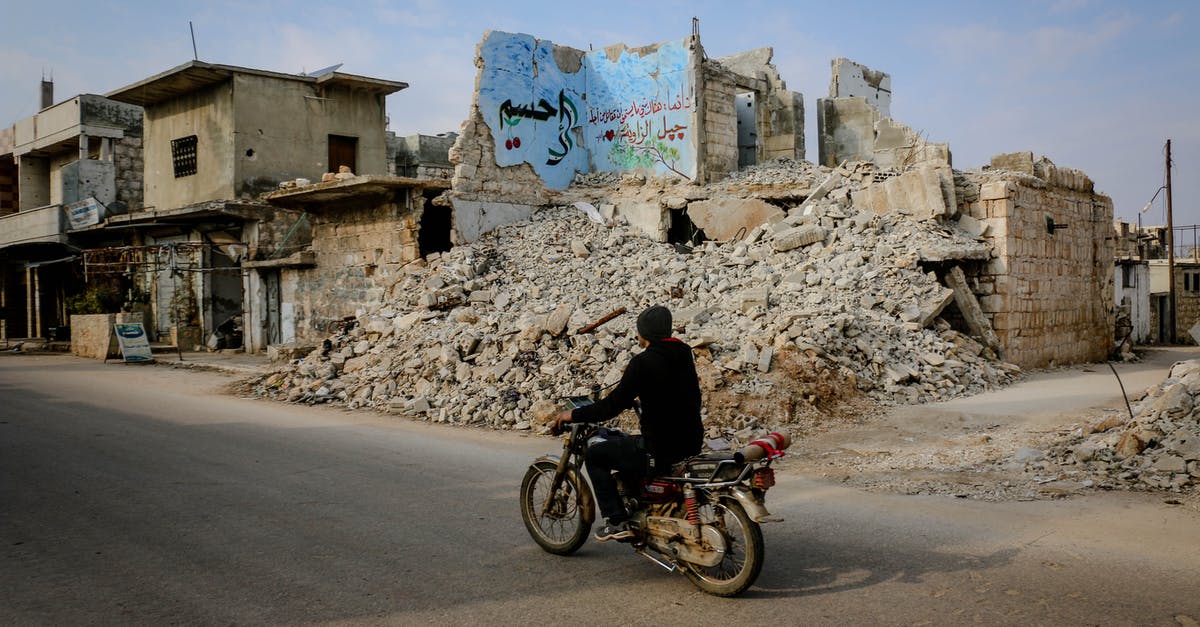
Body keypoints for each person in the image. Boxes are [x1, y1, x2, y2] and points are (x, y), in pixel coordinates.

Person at [552, 305, 703, 542]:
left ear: (644, 334)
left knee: (596, 456)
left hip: (660, 448)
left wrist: (573, 415)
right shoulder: (684, 353)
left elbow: (612, 406)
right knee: (626, 446)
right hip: (691, 441)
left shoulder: (642, 363)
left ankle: (616, 520)